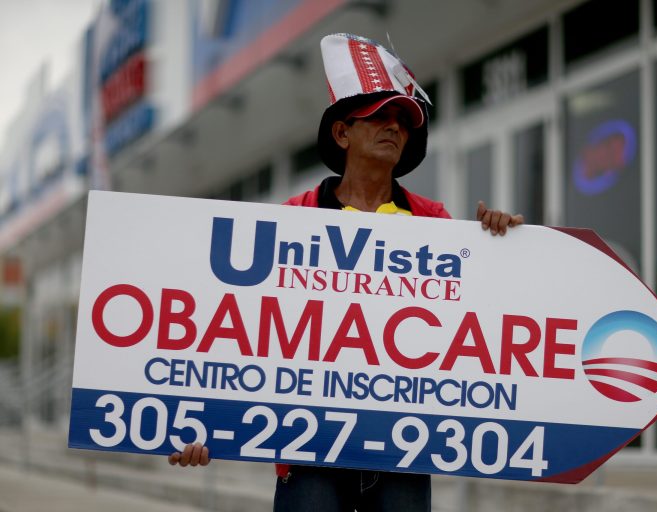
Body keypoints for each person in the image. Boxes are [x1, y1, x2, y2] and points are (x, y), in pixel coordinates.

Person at [169, 33, 523, 511]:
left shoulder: (436, 224)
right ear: (342, 133)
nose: (394, 126)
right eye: (379, 115)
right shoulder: (290, 220)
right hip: (307, 452)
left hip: (404, 451)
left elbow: (478, 320)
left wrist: (497, 243)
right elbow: (240, 333)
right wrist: (199, 428)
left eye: (402, 119)